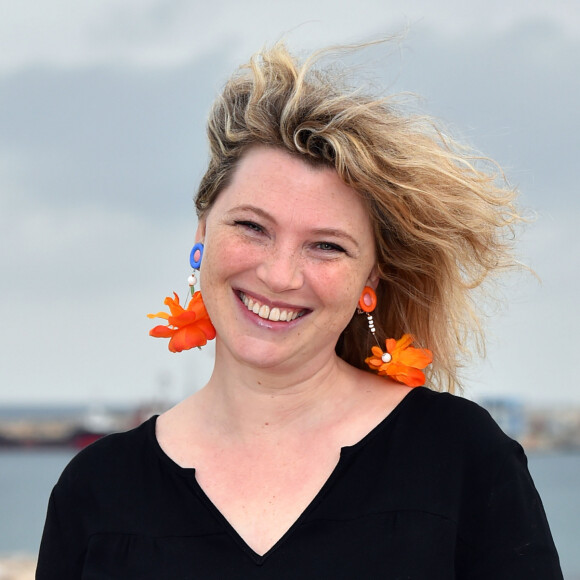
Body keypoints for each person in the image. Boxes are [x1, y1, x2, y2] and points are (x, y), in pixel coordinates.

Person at [36, 42, 563, 579]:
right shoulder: (96, 489)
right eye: (251, 227)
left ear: (369, 280)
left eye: (327, 246)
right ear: (201, 237)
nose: (280, 275)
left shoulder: (461, 458)